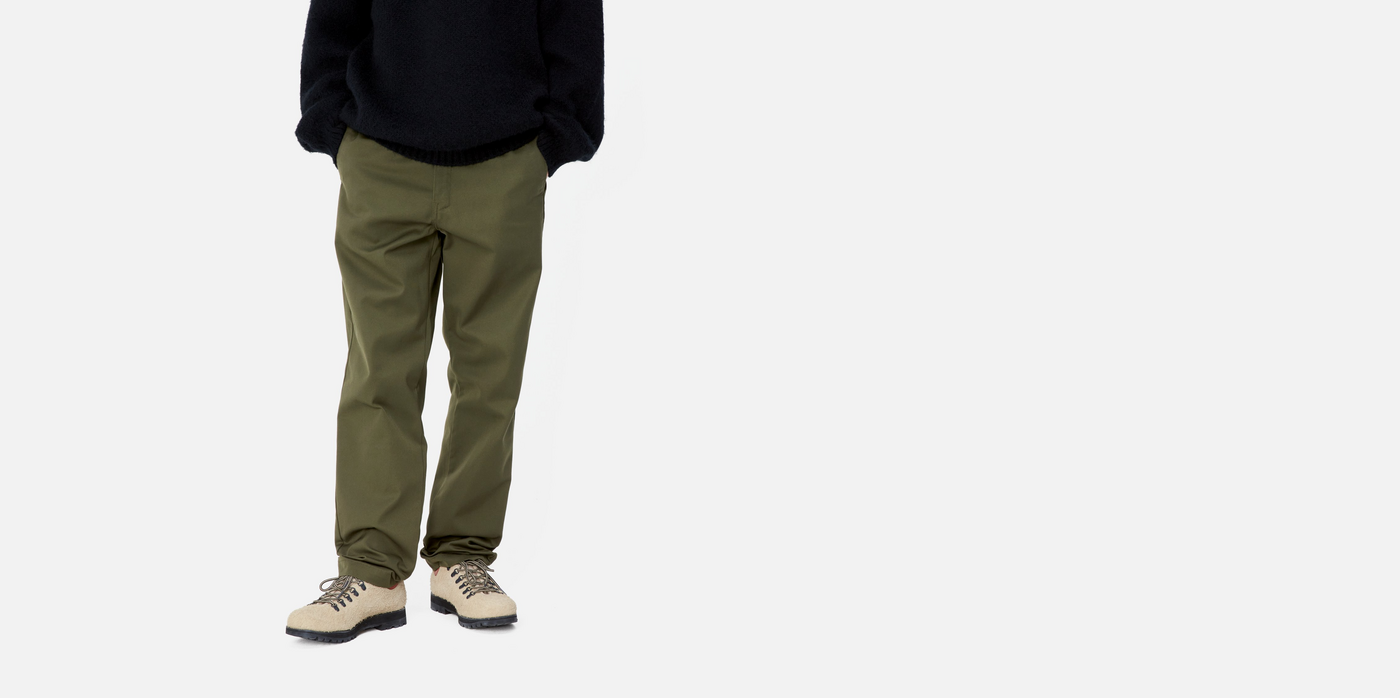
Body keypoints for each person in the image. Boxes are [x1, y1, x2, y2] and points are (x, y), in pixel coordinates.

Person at [283, 0, 603, 643]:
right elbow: (335, 21)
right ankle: (372, 572)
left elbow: (572, 23)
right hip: (380, 159)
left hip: (506, 164)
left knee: (490, 375)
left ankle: (462, 559)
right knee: (379, 372)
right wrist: (332, 127)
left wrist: (553, 142)